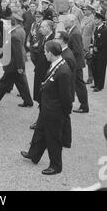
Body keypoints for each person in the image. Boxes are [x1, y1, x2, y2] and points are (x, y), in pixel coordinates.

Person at [21, 41, 73, 175]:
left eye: (45, 51)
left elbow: (66, 97)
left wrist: (64, 114)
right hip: (47, 107)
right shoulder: (56, 64)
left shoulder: (63, 71)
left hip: (55, 112)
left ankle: (56, 166)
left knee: (53, 138)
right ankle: (34, 154)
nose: (44, 53)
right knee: (40, 132)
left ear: (50, 53)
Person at [0, 15, 34, 108]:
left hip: (13, 63)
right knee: (21, 83)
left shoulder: (14, 36)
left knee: (3, 84)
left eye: (5, 23)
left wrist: (19, 67)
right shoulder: (19, 30)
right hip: (16, 63)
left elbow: (18, 53)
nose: (4, 25)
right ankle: (28, 101)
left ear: (11, 23)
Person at [55, 31, 77, 149]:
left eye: (56, 38)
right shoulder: (64, 53)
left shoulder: (67, 56)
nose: (54, 40)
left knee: (64, 116)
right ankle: (65, 140)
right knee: (64, 116)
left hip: (65, 91)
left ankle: (66, 140)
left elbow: (66, 78)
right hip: (64, 91)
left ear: (62, 40)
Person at [64, 14, 89, 113]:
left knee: (79, 85)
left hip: (76, 64)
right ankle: (79, 104)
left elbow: (77, 50)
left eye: (67, 21)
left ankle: (84, 106)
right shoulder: (72, 31)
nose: (65, 22)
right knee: (76, 84)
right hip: (75, 62)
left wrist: (67, 55)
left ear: (72, 21)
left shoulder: (74, 33)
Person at [90, 11, 107, 92]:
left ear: (100, 20)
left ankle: (100, 86)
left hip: (102, 53)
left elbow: (104, 42)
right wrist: (92, 47)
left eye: (96, 19)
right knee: (95, 68)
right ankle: (96, 83)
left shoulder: (104, 29)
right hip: (95, 52)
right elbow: (94, 39)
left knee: (100, 69)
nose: (94, 20)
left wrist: (97, 48)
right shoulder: (97, 28)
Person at [81, 4, 96, 84]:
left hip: (89, 43)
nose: (84, 11)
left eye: (86, 10)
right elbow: (82, 30)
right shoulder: (84, 18)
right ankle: (90, 77)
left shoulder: (93, 19)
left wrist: (92, 45)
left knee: (90, 61)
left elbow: (94, 33)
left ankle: (91, 77)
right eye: (84, 9)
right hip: (83, 43)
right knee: (87, 61)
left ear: (90, 10)